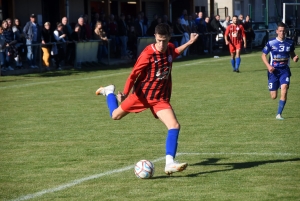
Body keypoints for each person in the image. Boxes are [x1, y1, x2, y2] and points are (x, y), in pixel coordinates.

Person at [94, 23, 199, 175]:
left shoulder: (169, 48)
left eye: (165, 40)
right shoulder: (148, 54)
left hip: (159, 98)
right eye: (159, 40)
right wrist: (124, 92)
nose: (162, 44)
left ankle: (169, 163)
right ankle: (109, 92)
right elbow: (133, 75)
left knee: (174, 126)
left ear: (169, 37)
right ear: (155, 37)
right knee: (115, 116)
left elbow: (174, 52)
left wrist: (188, 43)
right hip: (141, 96)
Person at [261, 22, 299, 120]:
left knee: (285, 89)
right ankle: (276, 85)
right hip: (273, 71)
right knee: (273, 96)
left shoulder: (290, 42)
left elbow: (292, 53)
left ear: (286, 31)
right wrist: (268, 66)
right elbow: (263, 55)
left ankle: (279, 114)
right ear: (277, 31)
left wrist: (294, 58)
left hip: (284, 70)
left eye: (284, 31)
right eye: (280, 31)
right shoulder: (271, 42)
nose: (282, 33)